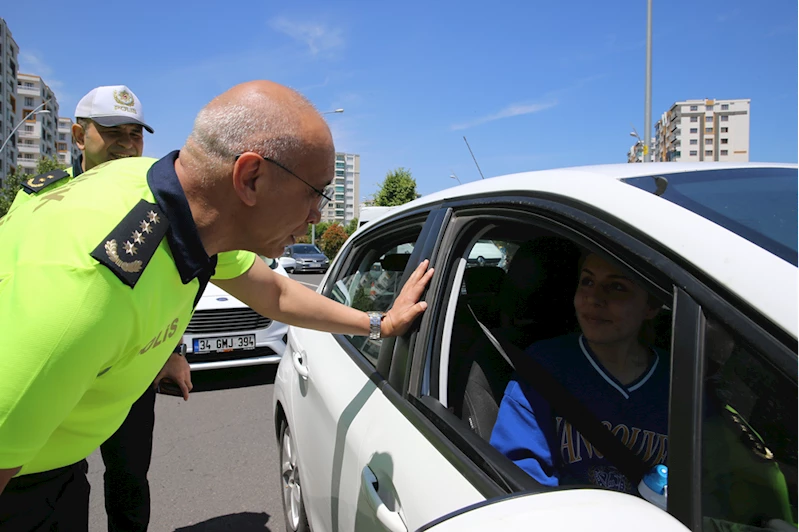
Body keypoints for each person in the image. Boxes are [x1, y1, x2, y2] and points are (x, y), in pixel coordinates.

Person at [0, 80, 434, 530]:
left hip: (56, 461)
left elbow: (277, 293)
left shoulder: (182, 207)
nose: (317, 217)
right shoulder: (88, 291)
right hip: (22, 485)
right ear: (250, 178)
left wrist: (378, 323)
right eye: (315, 193)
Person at [4, 84, 193, 532]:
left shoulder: (154, 203)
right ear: (77, 135)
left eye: (135, 133)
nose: (127, 144)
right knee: (60, 479)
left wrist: (170, 350)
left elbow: (171, 280)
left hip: (126, 371)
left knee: (129, 479)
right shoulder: (41, 195)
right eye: (112, 132)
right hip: (55, 369)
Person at [490, 252, 667, 493]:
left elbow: (715, 483)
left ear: (651, 306)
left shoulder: (681, 381)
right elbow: (519, 475)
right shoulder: (544, 365)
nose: (593, 298)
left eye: (616, 287)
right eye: (587, 282)